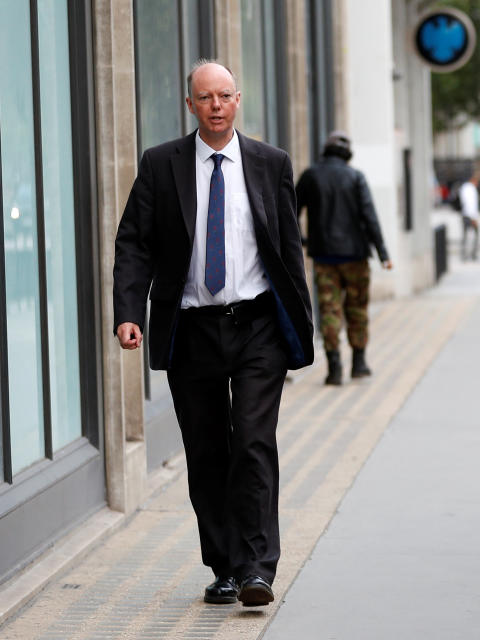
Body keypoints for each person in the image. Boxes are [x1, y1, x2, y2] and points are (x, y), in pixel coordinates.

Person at [113, 61, 313, 607]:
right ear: (190, 105)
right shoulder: (161, 165)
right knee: (206, 451)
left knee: (251, 443)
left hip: (257, 327)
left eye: (225, 95)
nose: (217, 105)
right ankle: (223, 566)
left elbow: (288, 250)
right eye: (206, 97)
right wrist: (129, 310)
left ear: (238, 99)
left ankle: (256, 568)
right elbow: (134, 242)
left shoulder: (270, 163)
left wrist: (302, 325)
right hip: (192, 328)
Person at [295, 131, 392, 386]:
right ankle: (359, 363)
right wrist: (383, 253)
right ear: (347, 154)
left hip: (325, 257)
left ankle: (334, 368)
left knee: (329, 310)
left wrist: (303, 241)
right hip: (356, 256)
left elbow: (289, 211)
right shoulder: (355, 176)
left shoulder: (310, 175)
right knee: (357, 308)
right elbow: (370, 217)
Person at [458, 172, 480, 261]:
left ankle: (465, 254)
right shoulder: (470, 189)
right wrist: (473, 217)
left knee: (465, 235)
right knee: (473, 235)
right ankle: (472, 254)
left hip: (465, 214)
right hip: (470, 215)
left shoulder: (464, 188)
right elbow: (470, 204)